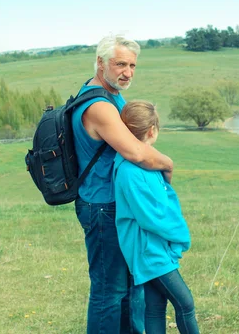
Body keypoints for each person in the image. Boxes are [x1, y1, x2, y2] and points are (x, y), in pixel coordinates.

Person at [72, 35, 174, 334]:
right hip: (102, 206)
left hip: (117, 204)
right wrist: (168, 164)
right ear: (101, 63)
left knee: (131, 287)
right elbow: (135, 151)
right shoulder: (99, 106)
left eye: (132, 65)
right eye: (120, 64)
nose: (127, 72)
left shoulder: (113, 95)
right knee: (109, 291)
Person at [114, 101, 199, 334]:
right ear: (152, 131)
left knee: (155, 307)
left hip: (153, 247)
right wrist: (180, 235)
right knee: (185, 303)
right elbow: (151, 217)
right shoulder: (131, 171)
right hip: (148, 251)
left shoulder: (144, 163)